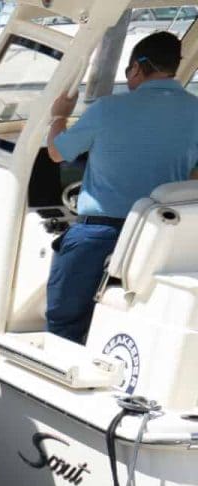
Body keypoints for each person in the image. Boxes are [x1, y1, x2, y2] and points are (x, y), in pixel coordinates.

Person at [45, 30, 198, 344]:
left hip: (99, 234)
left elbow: (57, 152)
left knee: (64, 323)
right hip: (160, 238)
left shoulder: (107, 109)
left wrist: (58, 116)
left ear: (137, 67)